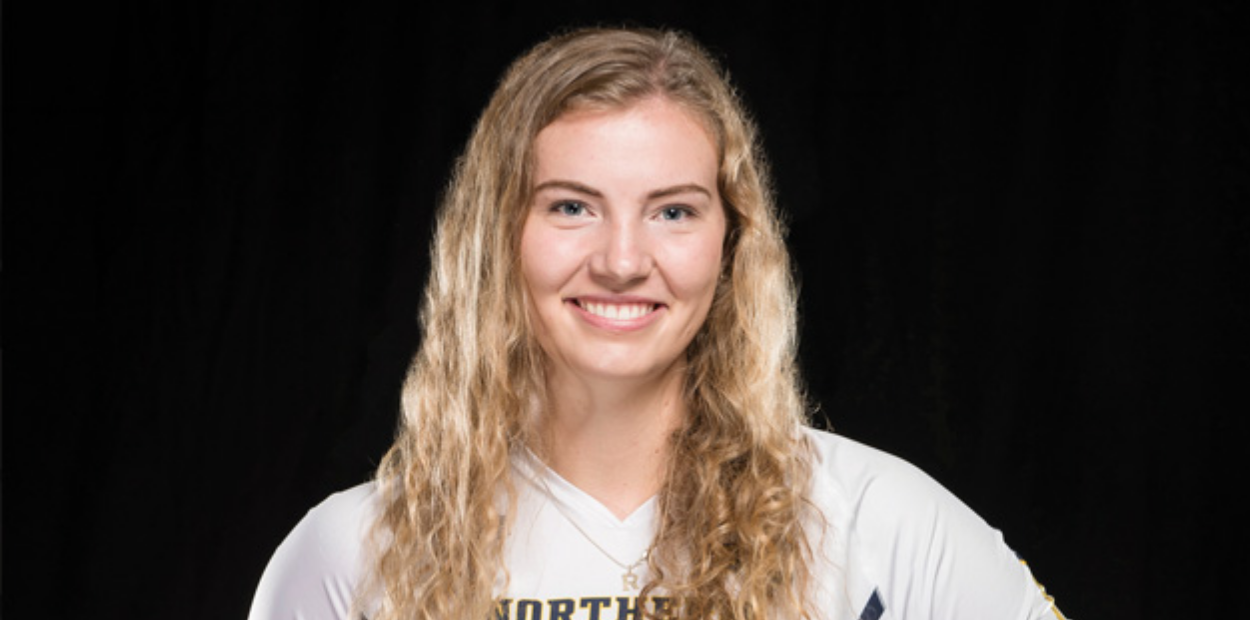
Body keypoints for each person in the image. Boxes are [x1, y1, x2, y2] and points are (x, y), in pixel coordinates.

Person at [248, 27, 1067, 620]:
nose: (622, 259)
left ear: (731, 242)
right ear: (498, 235)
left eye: (673, 211)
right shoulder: (353, 553)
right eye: (572, 206)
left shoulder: (873, 522)